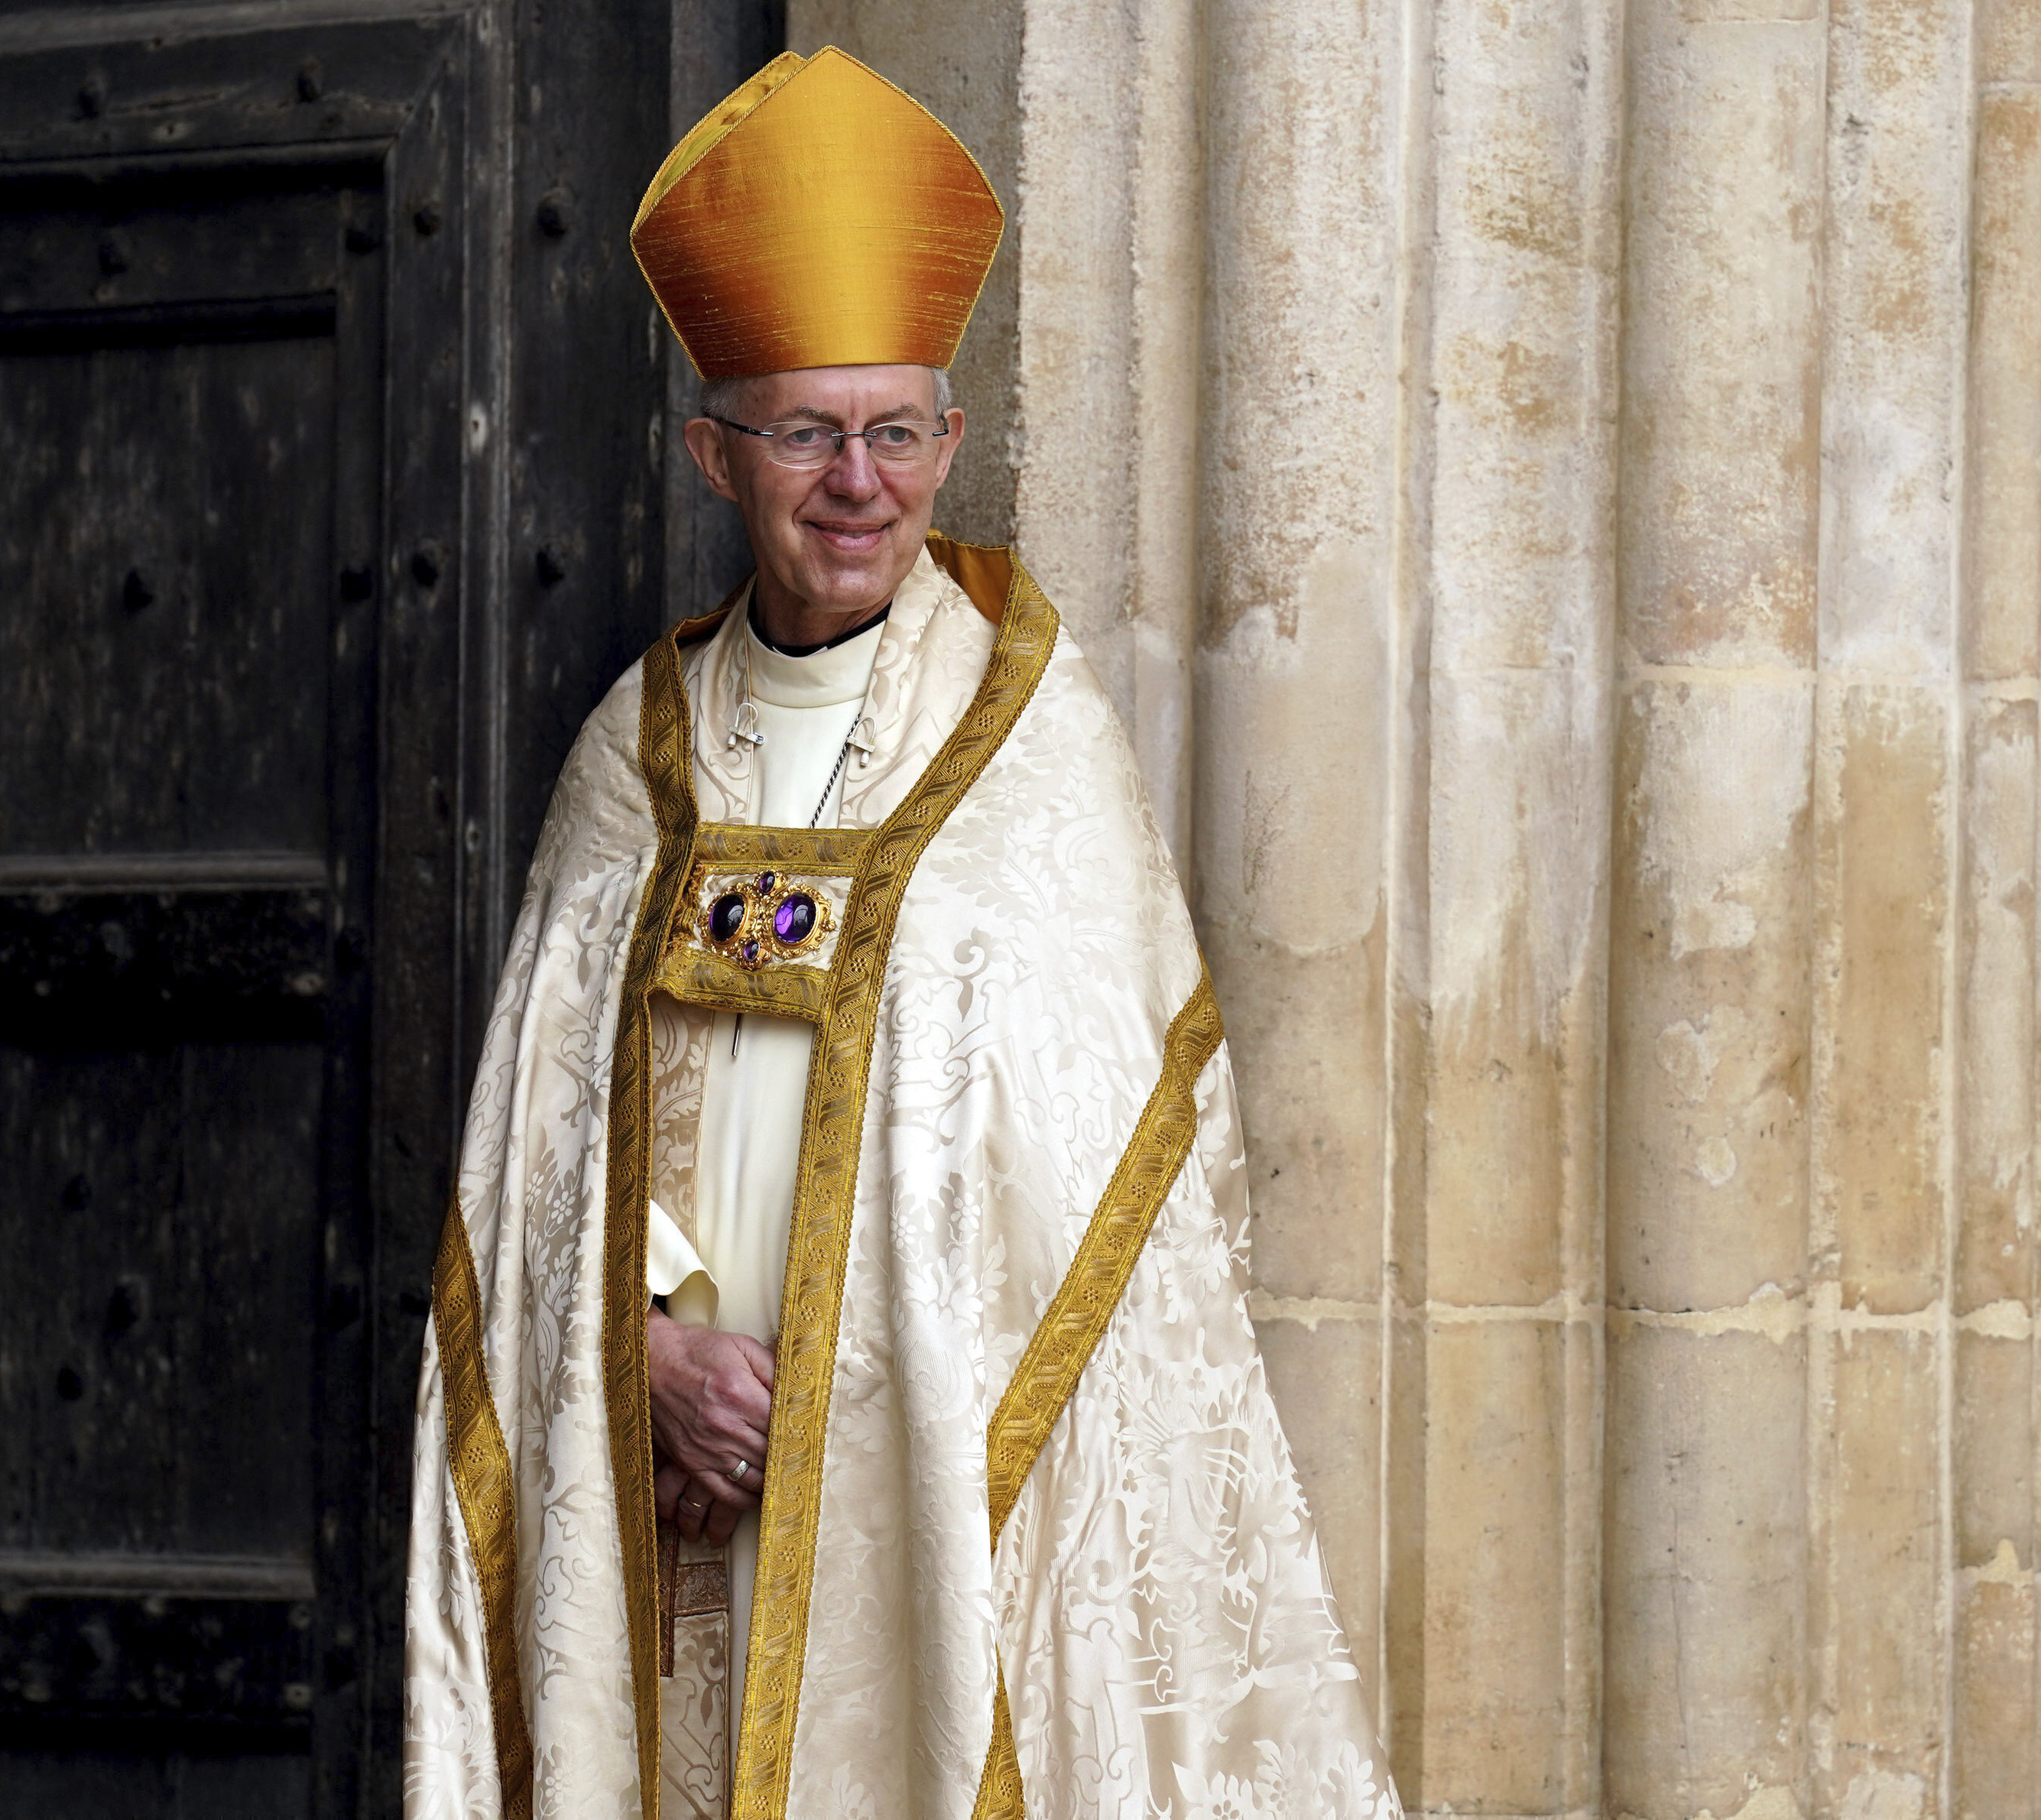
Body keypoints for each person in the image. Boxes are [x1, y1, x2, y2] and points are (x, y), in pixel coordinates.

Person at [402, 46, 1397, 1820]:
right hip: (664, 1494)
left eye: (893, 431)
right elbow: (541, 1149)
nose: (855, 483)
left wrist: (849, 1384)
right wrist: (644, 1356)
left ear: (948, 441)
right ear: (719, 451)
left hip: (919, 1499)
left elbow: (1112, 1183)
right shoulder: (630, 759)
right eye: (803, 431)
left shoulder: (1035, 752)